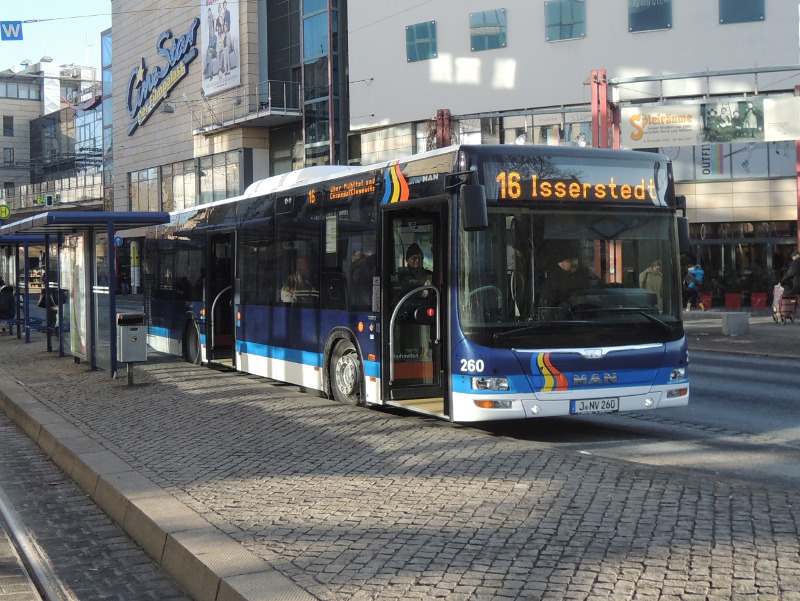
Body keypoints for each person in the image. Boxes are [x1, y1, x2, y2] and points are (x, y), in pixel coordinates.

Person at [545, 245, 598, 311]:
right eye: (570, 260)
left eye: (576, 259)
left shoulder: (584, 273)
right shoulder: (553, 279)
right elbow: (550, 304)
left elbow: (597, 289)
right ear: (560, 263)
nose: (575, 263)